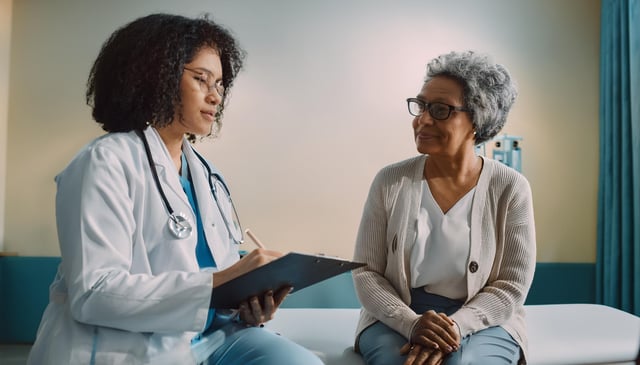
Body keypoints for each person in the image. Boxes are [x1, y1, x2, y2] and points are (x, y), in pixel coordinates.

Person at [27, 13, 322, 365]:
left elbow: (219, 274)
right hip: (135, 347)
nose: (216, 97)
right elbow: (94, 294)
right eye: (202, 80)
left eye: (221, 85)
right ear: (156, 76)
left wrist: (250, 306)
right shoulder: (104, 162)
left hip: (217, 338)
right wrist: (221, 281)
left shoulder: (208, 176)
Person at [352, 50, 536, 365]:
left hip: (486, 320)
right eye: (421, 106)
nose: (422, 119)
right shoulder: (390, 181)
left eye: (440, 110)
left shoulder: (510, 188)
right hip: (398, 315)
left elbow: (511, 284)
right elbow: (367, 272)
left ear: (478, 120)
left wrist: (454, 326)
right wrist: (411, 323)